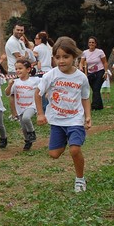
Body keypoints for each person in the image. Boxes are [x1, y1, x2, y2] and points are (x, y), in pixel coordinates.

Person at [35, 36, 91, 193]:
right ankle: (67, 139)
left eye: (65, 57)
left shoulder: (81, 77)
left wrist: (88, 116)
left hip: (75, 120)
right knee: (54, 154)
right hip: (57, 121)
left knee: (74, 150)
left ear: (74, 56)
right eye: (57, 57)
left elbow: (85, 97)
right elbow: (38, 93)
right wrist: (40, 114)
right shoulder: (50, 75)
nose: (61, 61)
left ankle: (80, 179)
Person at [6, 58, 40, 151]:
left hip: (31, 105)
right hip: (20, 107)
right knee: (23, 127)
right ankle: (27, 141)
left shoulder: (35, 80)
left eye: (20, 68)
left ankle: (32, 132)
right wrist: (9, 85)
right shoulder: (15, 82)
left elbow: (44, 84)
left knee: (26, 118)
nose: (18, 71)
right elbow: (7, 93)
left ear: (28, 70)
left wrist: (48, 92)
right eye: (16, 69)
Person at [4, 22, 27, 120]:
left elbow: (25, 54)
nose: (20, 32)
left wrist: (25, 57)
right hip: (14, 71)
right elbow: (19, 57)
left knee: (21, 92)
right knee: (13, 93)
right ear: (13, 30)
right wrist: (25, 57)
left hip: (21, 69)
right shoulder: (12, 42)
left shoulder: (20, 41)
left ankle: (20, 112)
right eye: (18, 30)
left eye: (21, 30)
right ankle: (14, 115)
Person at [79, 36, 108, 110]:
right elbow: (81, 62)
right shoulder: (85, 52)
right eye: (90, 42)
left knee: (96, 88)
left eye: (93, 42)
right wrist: (81, 67)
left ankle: (94, 106)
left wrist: (106, 72)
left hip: (100, 72)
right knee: (95, 89)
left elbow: (104, 62)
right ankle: (100, 106)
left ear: (95, 44)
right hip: (90, 73)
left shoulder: (100, 52)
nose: (91, 44)